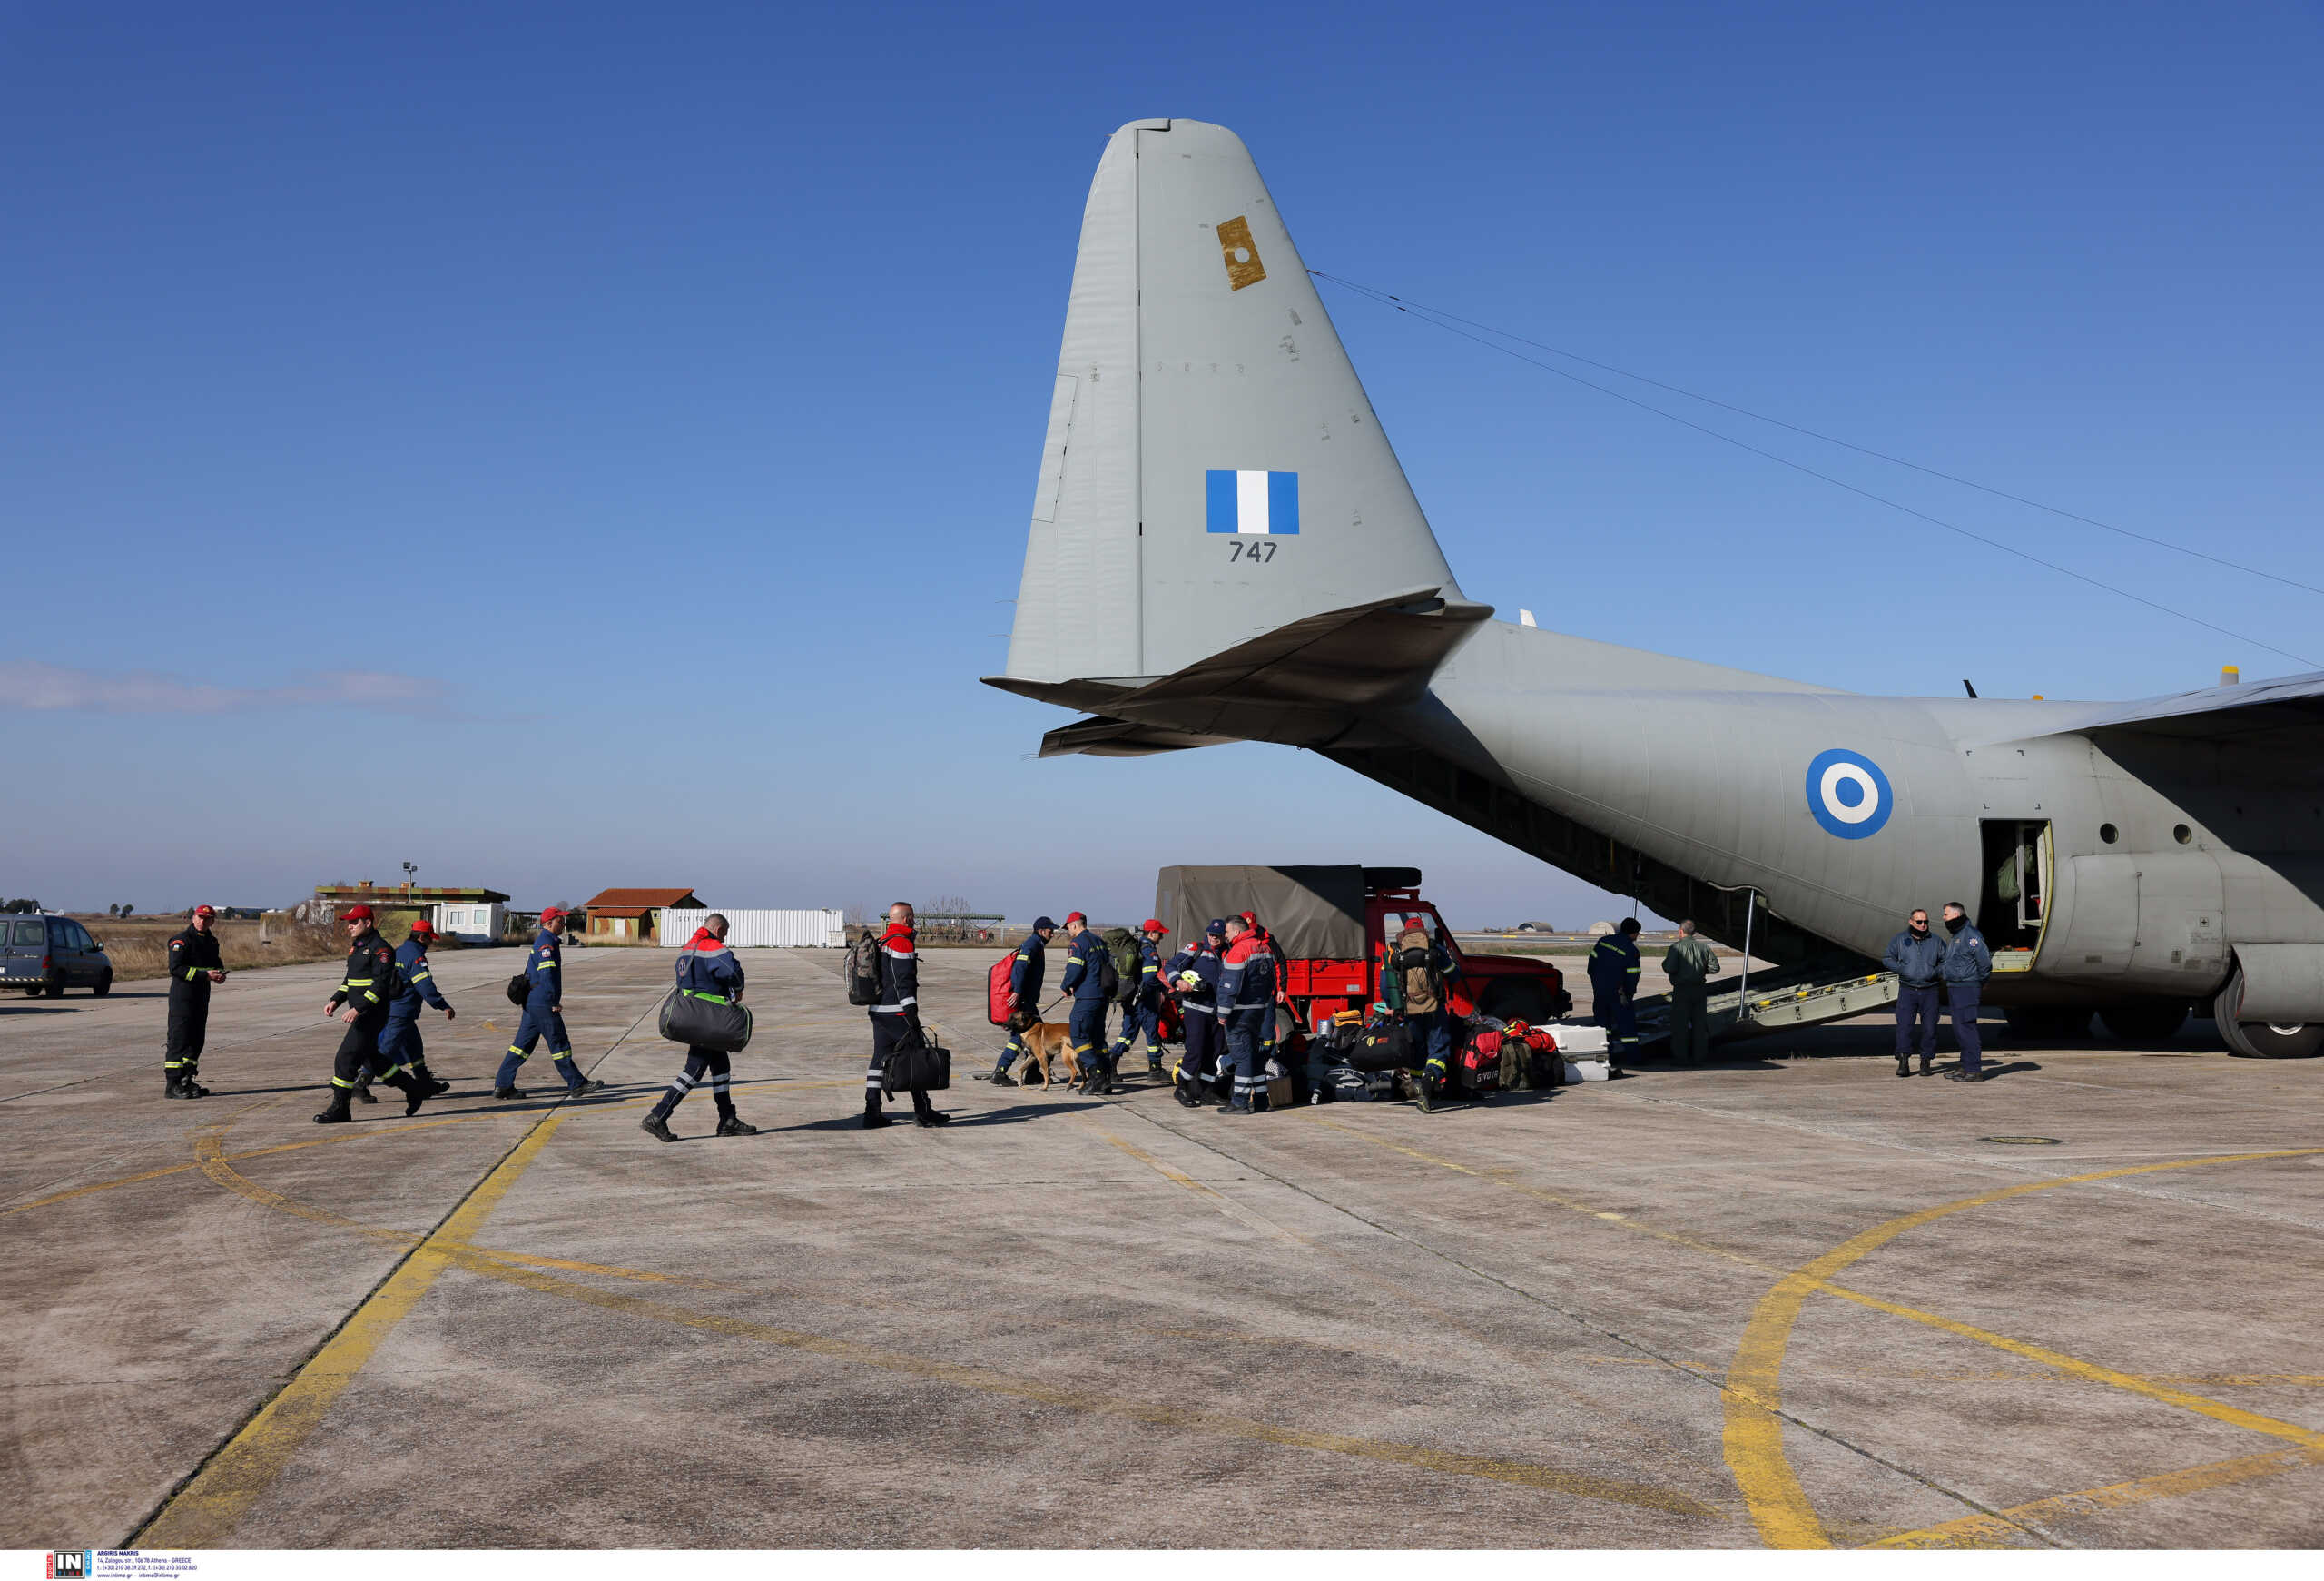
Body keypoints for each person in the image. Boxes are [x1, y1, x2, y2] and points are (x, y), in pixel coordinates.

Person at [641, 914, 756, 1141]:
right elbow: (732, 971)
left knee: (721, 1066)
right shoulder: (712, 946)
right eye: (724, 932)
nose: (724, 937)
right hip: (709, 1019)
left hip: (694, 1017)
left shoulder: (688, 948)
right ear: (717, 928)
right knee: (693, 1070)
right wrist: (738, 986)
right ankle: (658, 1115)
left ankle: (727, 1119)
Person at [315, 905, 431, 1123]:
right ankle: (413, 1089)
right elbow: (349, 980)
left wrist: (358, 1008)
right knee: (375, 1060)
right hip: (360, 1012)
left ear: (368, 923)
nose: (349, 926)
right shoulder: (357, 948)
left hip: (372, 1014)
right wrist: (336, 999)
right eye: (348, 922)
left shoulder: (382, 950)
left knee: (345, 1058)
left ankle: (340, 1108)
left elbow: (380, 985)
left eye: (354, 922)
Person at [492, 907, 606, 1099]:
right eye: (559, 921)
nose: (563, 924)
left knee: (521, 1046)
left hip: (533, 1002)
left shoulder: (547, 941)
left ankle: (503, 1085)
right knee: (559, 1042)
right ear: (548, 923)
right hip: (543, 1001)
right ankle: (576, 1084)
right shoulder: (547, 944)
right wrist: (553, 1000)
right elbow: (547, 975)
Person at [864, 902, 947, 1128]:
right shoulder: (901, 943)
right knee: (916, 1059)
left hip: (878, 1011)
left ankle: (871, 1111)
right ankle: (923, 1111)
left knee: (878, 1061)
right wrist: (912, 1014)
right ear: (907, 918)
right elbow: (904, 983)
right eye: (912, 917)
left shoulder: (882, 942)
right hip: (898, 1013)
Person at [373, 918, 456, 1100]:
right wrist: (443, 1005)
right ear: (422, 938)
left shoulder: (400, 951)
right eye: (430, 938)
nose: (432, 942)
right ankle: (360, 1083)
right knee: (387, 1049)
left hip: (396, 1009)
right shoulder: (416, 956)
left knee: (414, 1048)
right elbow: (425, 985)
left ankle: (425, 1083)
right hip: (401, 1011)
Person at [1385, 919, 1459, 1111]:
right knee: (1439, 1050)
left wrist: (1392, 1005)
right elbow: (1454, 975)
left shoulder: (1395, 952)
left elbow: (1386, 986)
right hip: (1435, 1009)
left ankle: (1418, 1085)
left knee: (1418, 1049)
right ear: (1423, 931)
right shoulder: (1434, 948)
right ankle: (1428, 1086)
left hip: (1410, 1011)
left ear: (1406, 931)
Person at [980, 915, 1056, 1086]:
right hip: (1024, 1001)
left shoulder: (1037, 944)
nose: (1052, 934)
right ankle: (1014, 1073)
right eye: (1051, 931)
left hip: (1027, 999)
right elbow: (1020, 968)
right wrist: (1017, 992)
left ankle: (1023, 1073)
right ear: (1041, 930)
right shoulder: (1032, 944)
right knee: (1040, 1037)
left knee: (1020, 1038)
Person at [1215, 914, 1277, 1115]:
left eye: (1227, 931)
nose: (1224, 935)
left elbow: (1229, 987)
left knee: (1242, 1058)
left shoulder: (1238, 951)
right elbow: (1271, 981)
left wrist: (1223, 1013)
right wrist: (1265, 1004)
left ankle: (1240, 1102)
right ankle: (1260, 1100)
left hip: (1239, 1013)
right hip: (1259, 1011)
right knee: (1255, 1057)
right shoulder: (1265, 948)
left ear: (1237, 931)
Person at [162, 904, 227, 1099]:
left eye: (207, 919)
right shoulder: (181, 940)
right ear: (193, 918)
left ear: (212, 921)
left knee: (196, 1040)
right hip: (183, 997)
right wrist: (203, 975)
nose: (202, 921)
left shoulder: (211, 942)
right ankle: (173, 1084)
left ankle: (187, 1080)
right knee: (179, 1039)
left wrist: (218, 974)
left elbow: (215, 963)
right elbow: (176, 968)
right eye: (199, 917)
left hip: (201, 996)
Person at [1167, 920, 1226, 1108]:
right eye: (1211, 934)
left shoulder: (1228, 952)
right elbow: (1170, 966)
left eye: (1217, 935)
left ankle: (1206, 1090)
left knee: (1214, 1051)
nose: (1213, 938)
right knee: (1196, 1050)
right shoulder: (1196, 948)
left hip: (1217, 1012)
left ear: (1224, 936)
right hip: (1196, 1010)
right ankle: (1182, 1088)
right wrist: (1178, 981)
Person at [1882, 908, 1945, 1077]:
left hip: (1930, 991)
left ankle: (1926, 1062)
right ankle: (1903, 1062)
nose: (1923, 925)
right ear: (1911, 922)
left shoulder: (1936, 941)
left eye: (1926, 922)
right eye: (1919, 922)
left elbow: (1946, 962)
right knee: (1904, 1027)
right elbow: (1887, 958)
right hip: (1907, 990)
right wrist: (1903, 970)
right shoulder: (1900, 940)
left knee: (1930, 1028)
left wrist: (1934, 972)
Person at [1059, 911, 1116, 1096]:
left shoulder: (1078, 943)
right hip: (1102, 996)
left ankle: (1095, 1076)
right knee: (1098, 1039)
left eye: (1068, 928)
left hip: (1088, 997)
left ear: (1074, 925)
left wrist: (1066, 986)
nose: (1068, 932)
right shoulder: (1099, 941)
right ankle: (1106, 1075)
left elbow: (1074, 968)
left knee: (1079, 1035)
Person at [1939, 901, 1994, 1082]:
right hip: (1955, 987)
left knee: (1967, 1028)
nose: (1943, 918)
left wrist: (1979, 982)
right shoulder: (1957, 936)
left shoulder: (1971, 936)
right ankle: (1964, 1066)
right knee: (1959, 1029)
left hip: (1967, 988)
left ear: (1955, 915)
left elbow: (1985, 963)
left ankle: (1974, 1069)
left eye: (1946, 914)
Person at [1108, 918, 1171, 1077]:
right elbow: (1150, 978)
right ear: (1151, 933)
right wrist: (1163, 989)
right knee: (1152, 1033)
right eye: (1160, 934)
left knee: (1128, 1033)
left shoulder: (1136, 947)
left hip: (1130, 998)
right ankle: (1155, 1068)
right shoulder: (1149, 951)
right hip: (1145, 1001)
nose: (1162, 938)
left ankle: (1111, 1062)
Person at [1661, 920, 1723, 1067]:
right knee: (1700, 1026)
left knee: (1680, 1026)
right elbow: (1715, 968)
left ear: (1681, 931)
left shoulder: (1676, 948)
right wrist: (1700, 970)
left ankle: (1680, 1059)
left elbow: (1669, 967)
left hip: (1682, 990)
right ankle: (1700, 1058)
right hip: (1700, 990)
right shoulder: (1704, 947)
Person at [1588, 919, 1644, 1069]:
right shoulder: (1631, 950)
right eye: (1637, 933)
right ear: (1632, 933)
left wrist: (1597, 984)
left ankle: (1606, 1057)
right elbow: (1633, 975)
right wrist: (1629, 994)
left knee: (1602, 1026)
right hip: (1619, 994)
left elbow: (1591, 965)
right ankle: (1634, 1058)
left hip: (1600, 992)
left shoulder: (1603, 941)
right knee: (1627, 1027)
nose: (1637, 936)